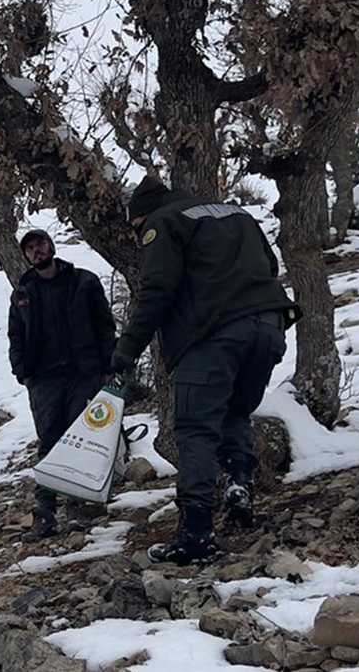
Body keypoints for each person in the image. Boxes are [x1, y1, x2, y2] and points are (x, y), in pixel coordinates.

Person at [109, 176, 302, 565]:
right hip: (268, 327)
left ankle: (196, 532)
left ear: (142, 214)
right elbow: (268, 264)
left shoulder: (162, 222)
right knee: (233, 411)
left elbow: (158, 288)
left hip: (213, 335)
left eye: (135, 227)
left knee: (195, 428)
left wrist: (127, 348)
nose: (137, 234)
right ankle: (239, 491)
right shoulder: (237, 213)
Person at [8, 228, 117, 542]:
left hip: (83, 373)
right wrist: (22, 372)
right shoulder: (22, 294)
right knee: (49, 441)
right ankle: (46, 511)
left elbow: (104, 324)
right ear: (26, 255)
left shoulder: (84, 281)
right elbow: (15, 336)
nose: (36, 251)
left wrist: (106, 366)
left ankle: (77, 507)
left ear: (51, 245)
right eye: (30, 248)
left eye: (40, 244)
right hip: (43, 378)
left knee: (78, 438)